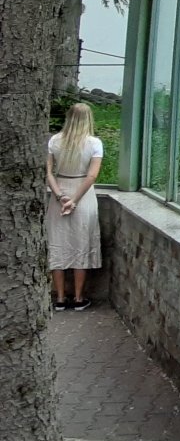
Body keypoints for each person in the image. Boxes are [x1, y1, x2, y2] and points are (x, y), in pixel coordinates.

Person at [46, 102, 104, 311]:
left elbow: (49, 173)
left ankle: (60, 298)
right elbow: (92, 175)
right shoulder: (94, 143)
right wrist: (75, 200)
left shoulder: (54, 141)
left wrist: (61, 196)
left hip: (59, 191)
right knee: (81, 242)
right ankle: (79, 298)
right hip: (84, 194)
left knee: (58, 243)